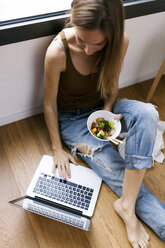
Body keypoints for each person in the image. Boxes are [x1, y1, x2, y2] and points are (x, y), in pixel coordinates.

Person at [44, 0, 165, 247]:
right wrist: (57, 148)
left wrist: (107, 111)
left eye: (98, 44)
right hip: (73, 121)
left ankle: (126, 205)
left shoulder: (121, 42)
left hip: (102, 108)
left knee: (148, 114)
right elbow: (48, 104)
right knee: (121, 173)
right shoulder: (57, 52)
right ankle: (140, 211)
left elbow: (112, 83)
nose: (89, 50)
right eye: (81, 40)